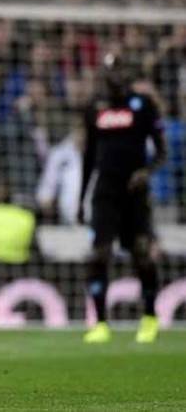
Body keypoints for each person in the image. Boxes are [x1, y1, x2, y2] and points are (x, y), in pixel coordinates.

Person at [79, 52, 166, 344]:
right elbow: (89, 157)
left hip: (135, 191)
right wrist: (81, 198)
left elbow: (162, 152)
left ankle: (150, 317)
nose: (114, 75)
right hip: (105, 191)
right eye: (109, 70)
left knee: (141, 252)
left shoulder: (143, 106)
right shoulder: (95, 108)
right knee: (99, 253)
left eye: (119, 69)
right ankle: (100, 323)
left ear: (127, 73)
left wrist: (147, 171)